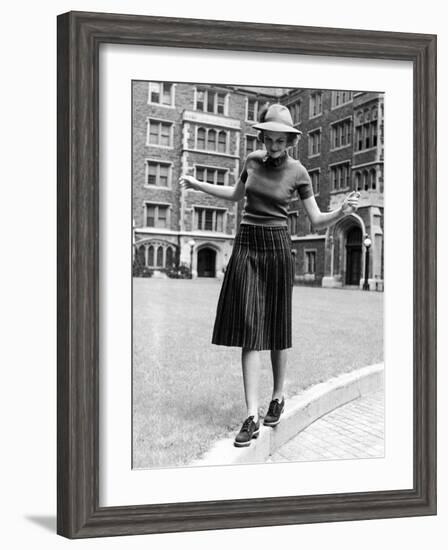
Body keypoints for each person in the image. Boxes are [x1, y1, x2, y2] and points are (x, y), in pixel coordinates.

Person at [179, 103, 359, 448]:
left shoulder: (299, 172)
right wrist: (196, 183)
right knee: (250, 327)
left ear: (289, 141)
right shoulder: (250, 162)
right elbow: (235, 196)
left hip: (277, 245)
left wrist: (341, 211)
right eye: (270, 139)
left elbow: (317, 220)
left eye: (281, 141)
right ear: (261, 135)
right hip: (247, 242)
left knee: (275, 326)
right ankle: (251, 415)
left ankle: (278, 394)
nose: (275, 146)